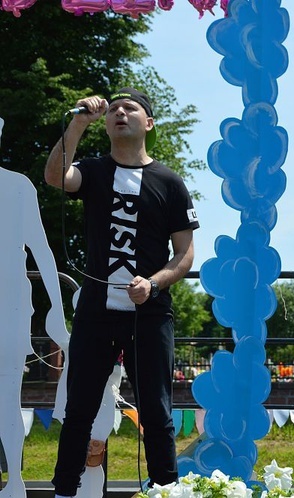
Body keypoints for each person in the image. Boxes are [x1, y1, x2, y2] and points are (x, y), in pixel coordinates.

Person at [44, 87, 200, 498]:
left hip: (149, 313)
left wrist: (153, 283)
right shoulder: (93, 170)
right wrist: (79, 123)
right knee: (79, 409)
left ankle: (166, 490)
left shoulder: (170, 182)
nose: (119, 113)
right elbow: (56, 177)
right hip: (97, 310)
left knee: (157, 411)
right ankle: (64, 492)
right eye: (113, 108)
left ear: (148, 123)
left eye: (129, 108)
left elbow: (184, 255)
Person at [0, 116, 70, 498]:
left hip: (10, 303)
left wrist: (57, 308)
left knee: (9, 394)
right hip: (12, 302)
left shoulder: (18, 186)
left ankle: (14, 478)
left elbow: (42, 249)